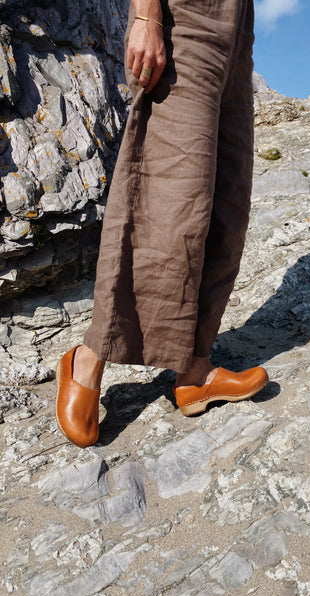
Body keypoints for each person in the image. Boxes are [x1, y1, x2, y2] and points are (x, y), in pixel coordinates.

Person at [55, 0, 268, 448]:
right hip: (184, 19)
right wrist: (147, 16)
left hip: (237, 29)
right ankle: (90, 356)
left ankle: (194, 369)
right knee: (167, 201)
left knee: (227, 203)